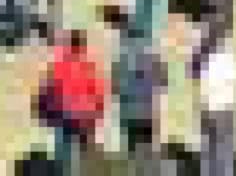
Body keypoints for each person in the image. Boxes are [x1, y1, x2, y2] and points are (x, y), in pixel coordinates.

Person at [38, 23, 107, 171]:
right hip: (85, 118)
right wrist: (96, 115)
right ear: (83, 46)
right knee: (82, 157)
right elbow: (99, 94)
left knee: (63, 155)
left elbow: (49, 90)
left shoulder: (60, 65)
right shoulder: (89, 66)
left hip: (65, 117)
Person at [111, 13, 168, 175]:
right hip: (147, 111)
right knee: (147, 151)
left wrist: (127, 90)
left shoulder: (120, 59)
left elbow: (115, 88)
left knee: (132, 152)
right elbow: (163, 82)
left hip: (128, 113)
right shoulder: (153, 58)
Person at [194, 26, 236, 176]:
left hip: (209, 109)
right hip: (225, 111)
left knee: (209, 152)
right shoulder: (230, 59)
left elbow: (201, 84)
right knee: (224, 153)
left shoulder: (206, 60)